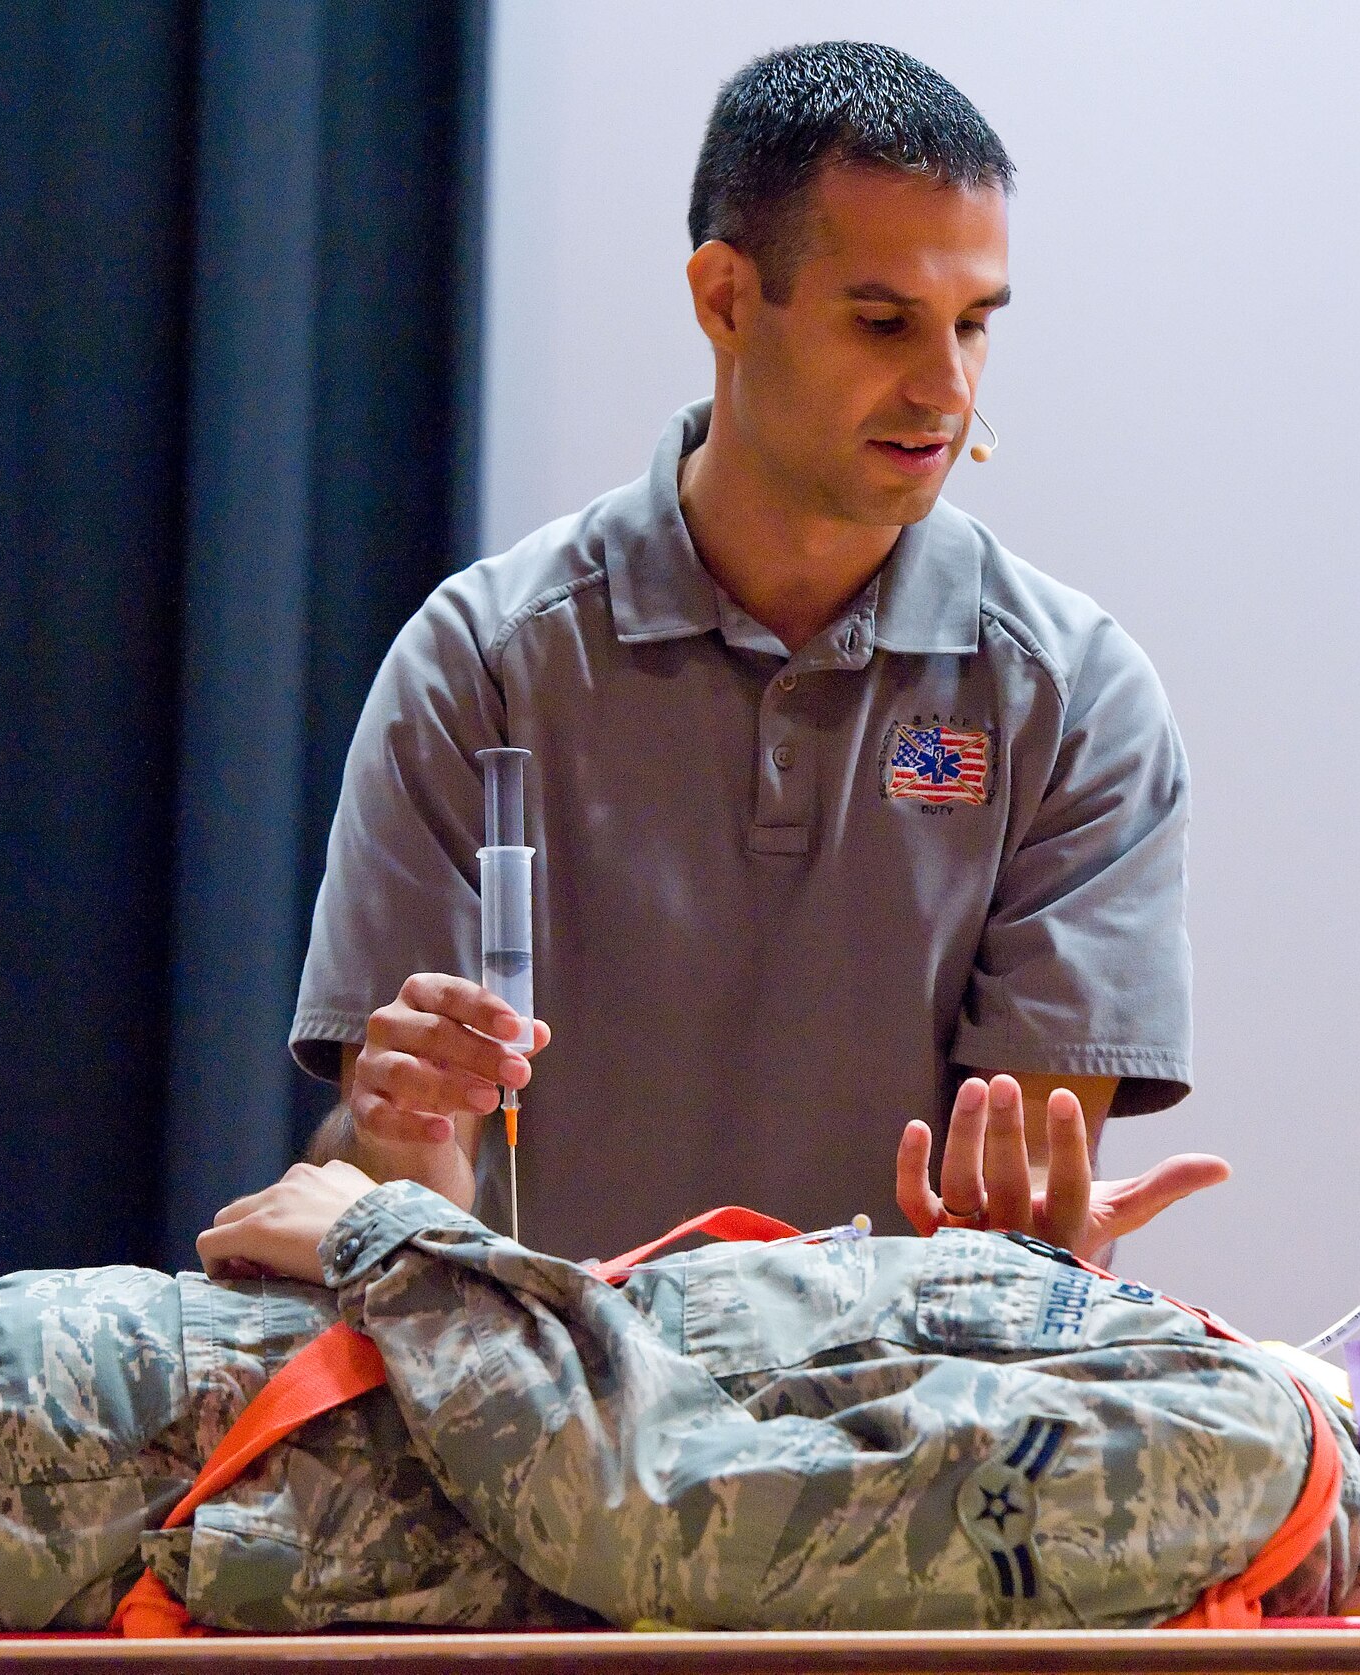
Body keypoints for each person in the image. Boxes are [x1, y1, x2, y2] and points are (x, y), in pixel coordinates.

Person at [290, 40, 1221, 1264]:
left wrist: (1045, 1252)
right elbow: (402, 1201)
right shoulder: (478, 664)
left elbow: (1004, 1241)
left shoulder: (1078, 702)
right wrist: (388, 1135)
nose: (945, 389)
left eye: (973, 325)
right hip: (528, 1435)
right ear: (725, 298)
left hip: (899, 1438)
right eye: (885, 322)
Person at [0, 1153, 1360, 1634]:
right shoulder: (1241, 1440)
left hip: (102, 1464)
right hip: (133, 1443)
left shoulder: (1244, 1460)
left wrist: (385, 1227)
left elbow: (658, 1503)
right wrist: (1009, 1280)